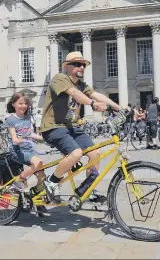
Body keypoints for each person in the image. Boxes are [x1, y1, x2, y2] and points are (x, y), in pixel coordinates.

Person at [40, 51, 121, 204]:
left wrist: (119, 107)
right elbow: (74, 93)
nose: (81, 67)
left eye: (83, 65)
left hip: (72, 127)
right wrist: (91, 104)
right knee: (76, 153)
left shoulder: (82, 85)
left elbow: (97, 95)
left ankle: (88, 189)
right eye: (77, 64)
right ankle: (51, 181)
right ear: (67, 66)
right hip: (53, 127)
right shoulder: (60, 79)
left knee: (96, 153)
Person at [5, 92, 50, 216]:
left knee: (41, 174)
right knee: (38, 163)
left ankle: (39, 203)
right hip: (17, 151)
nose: (23, 106)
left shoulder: (28, 117)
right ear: (13, 104)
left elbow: (30, 133)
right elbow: (14, 137)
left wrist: (43, 138)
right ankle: (18, 181)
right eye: (20, 103)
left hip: (29, 150)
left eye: (25, 103)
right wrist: (17, 140)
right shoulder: (11, 119)